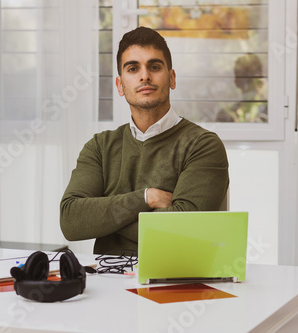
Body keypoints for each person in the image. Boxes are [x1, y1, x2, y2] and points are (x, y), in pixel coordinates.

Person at [60, 27, 229, 254]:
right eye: (133, 68)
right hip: (107, 281)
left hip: (175, 280)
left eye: (155, 66)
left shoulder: (203, 145)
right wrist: (145, 197)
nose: (144, 76)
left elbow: (184, 231)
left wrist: (105, 217)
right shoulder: (100, 147)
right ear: (120, 86)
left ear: (172, 78)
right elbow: (72, 220)